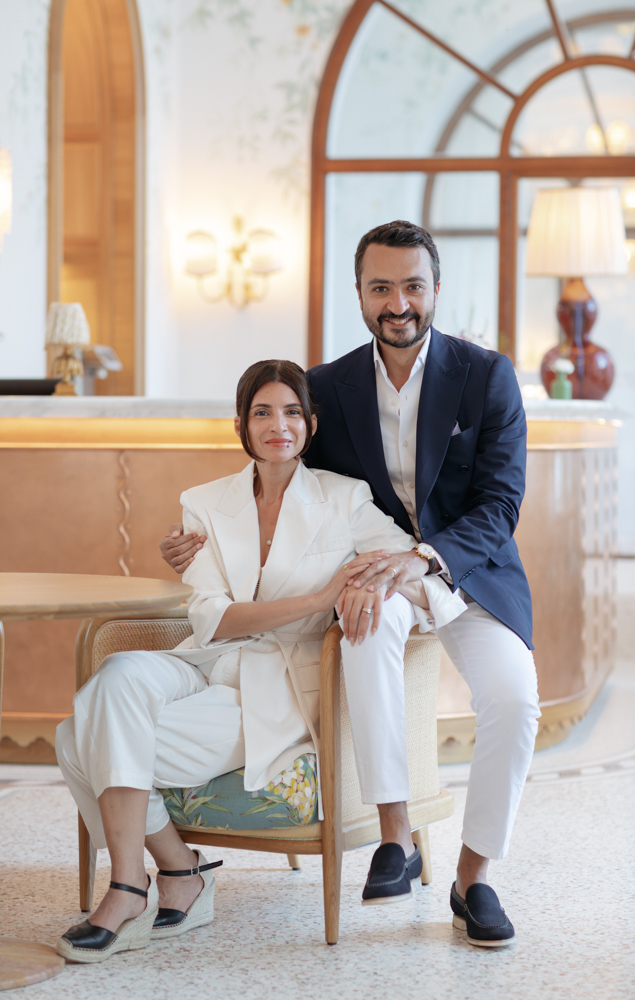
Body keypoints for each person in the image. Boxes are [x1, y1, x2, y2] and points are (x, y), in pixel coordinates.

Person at [161, 221, 541, 948]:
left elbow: (500, 505)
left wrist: (424, 559)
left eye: (412, 286)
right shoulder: (328, 387)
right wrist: (201, 540)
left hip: (467, 576)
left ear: (435, 289)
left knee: (516, 701)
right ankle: (393, 833)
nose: (397, 303)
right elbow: (287, 481)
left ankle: (474, 877)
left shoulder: (486, 375)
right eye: (380, 288)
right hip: (377, 572)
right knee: (362, 623)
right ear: (359, 294)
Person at [56, 359, 465, 963]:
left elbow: (407, 565)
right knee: (116, 678)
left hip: (280, 686)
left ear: (311, 424)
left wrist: (367, 589)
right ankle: (173, 871)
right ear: (242, 425)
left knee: (75, 738)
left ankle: (133, 887)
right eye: (263, 412)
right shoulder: (202, 503)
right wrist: (318, 600)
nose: (279, 426)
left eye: (293, 412)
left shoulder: (345, 499)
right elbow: (212, 618)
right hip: (206, 660)